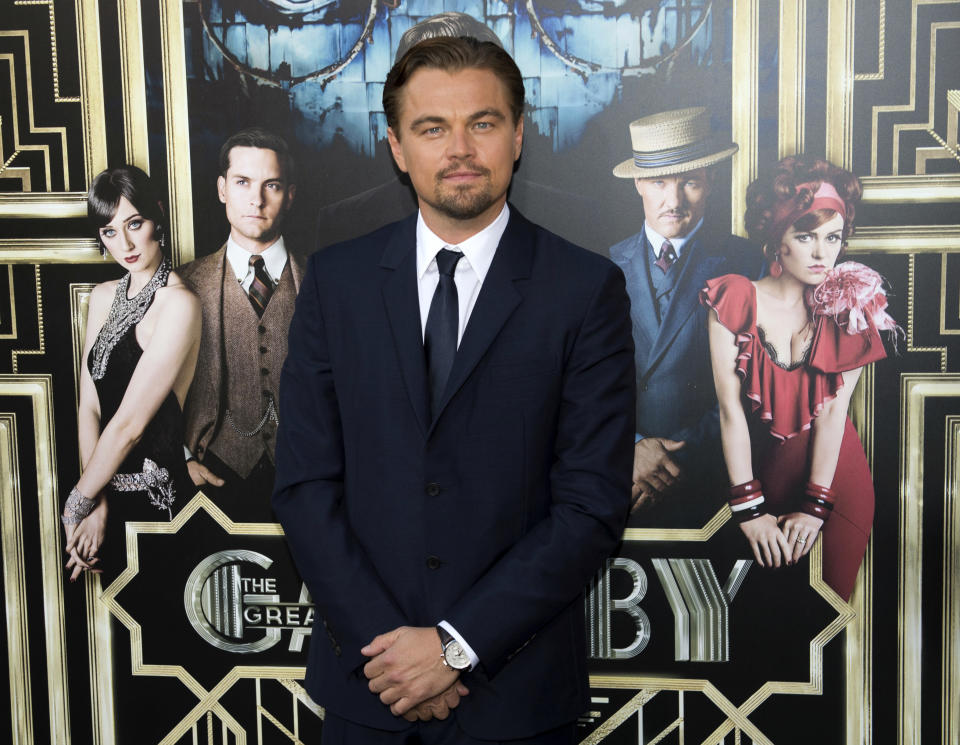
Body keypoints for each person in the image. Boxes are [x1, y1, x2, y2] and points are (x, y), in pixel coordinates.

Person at [273, 36, 635, 742]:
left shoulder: (585, 290)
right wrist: (391, 652)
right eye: (432, 127)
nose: (460, 148)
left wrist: (455, 646)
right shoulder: (336, 282)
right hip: (367, 693)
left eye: (484, 122)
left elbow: (590, 507)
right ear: (397, 147)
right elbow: (304, 485)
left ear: (519, 134)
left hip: (517, 699)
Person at [701, 155, 899, 601]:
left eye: (833, 237)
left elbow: (832, 416)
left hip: (836, 482)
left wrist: (815, 507)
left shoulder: (850, 307)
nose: (821, 253)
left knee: (826, 621)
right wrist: (749, 509)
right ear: (776, 239)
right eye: (805, 235)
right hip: (764, 477)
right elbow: (730, 412)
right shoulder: (733, 299)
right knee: (771, 625)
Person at [608, 107, 761, 527]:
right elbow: (580, 388)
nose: (673, 201)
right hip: (621, 485)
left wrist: (672, 456)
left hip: (712, 486)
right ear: (639, 182)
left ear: (709, 180)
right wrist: (633, 449)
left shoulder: (748, 264)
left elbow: (758, 387)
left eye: (689, 182)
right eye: (658, 182)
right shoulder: (600, 269)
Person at [63, 165, 201, 581]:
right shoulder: (102, 297)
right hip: (100, 501)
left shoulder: (179, 304)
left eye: (134, 224)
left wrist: (77, 503)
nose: (124, 243)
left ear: (157, 215)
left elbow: (130, 425)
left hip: (156, 506)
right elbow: (89, 406)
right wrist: (96, 502)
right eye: (109, 231)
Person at [179, 128, 304, 521]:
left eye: (272, 185)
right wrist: (178, 457)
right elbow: (151, 391)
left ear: (290, 195)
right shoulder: (183, 284)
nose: (257, 199)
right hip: (212, 476)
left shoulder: (325, 281)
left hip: (307, 480)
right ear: (222, 189)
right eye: (243, 182)